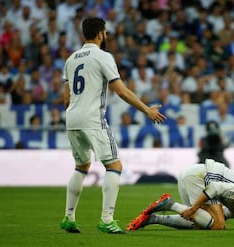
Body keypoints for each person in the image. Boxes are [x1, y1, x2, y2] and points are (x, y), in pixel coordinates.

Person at [60, 17, 166, 234]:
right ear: (100, 34)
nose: (106, 36)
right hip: (92, 118)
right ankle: (107, 219)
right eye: (106, 33)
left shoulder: (70, 60)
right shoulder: (103, 56)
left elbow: (66, 100)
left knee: (81, 166)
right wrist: (147, 110)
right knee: (114, 166)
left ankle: (69, 217)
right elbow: (121, 91)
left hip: (72, 119)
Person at [126, 159, 234, 231]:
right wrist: (194, 208)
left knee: (199, 223)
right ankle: (170, 203)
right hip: (199, 176)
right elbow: (214, 187)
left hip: (190, 175)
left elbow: (223, 212)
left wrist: (194, 211)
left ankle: (151, 219)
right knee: (218, 225)